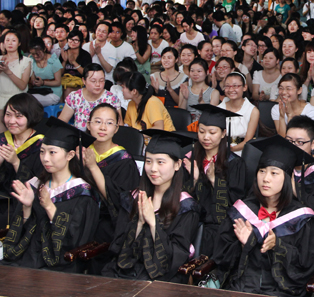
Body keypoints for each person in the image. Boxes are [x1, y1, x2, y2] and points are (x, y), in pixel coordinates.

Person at [210, 135, 314, 296]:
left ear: (288, 178)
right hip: (241, 288)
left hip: (280, 292)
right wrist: (243, 246)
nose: (266, 179)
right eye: (262, 171)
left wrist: (278, 246)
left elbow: (307, 264)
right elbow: (220, 257)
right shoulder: (242, 211)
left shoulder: (302, 218)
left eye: (274, 173)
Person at [2, 118, 100, 272]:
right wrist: (27, 207)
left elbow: (75, 240)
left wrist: (49, 207)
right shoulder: (36, 185)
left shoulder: (83, 193)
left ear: (70, 155)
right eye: (42, 152)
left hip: (59, 264)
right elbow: (21, 234)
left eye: (52, 152)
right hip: (28, 257)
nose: (45, 158)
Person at [101, 130, 200, 281]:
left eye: (160, 162)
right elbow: (117, 247)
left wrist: (153, 224)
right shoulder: (133, 198)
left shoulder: (186, 207)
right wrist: (139, 224)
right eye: (148, 161)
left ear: (177, 164)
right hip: (125, 272)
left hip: (161, 279)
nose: (153, 168)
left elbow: (176, 258)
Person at [80, 103, 140, 273]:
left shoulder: (124, 161)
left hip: (107, 223)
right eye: (98, 121)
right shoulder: (81, 153)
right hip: (80, 217)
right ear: (88, 124)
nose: (103, 128)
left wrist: (93, 167)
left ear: (116, 128)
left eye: (109, 123)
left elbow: (120, 204)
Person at [182, 105, 247, 257]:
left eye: (212, 132)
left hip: (219, 229)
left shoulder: (235, 164)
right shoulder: (190, 158)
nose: (206, 137)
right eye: (201, 131)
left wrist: (214, 181)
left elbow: (236, 203)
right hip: (190, 223)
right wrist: (194, 180)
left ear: (223, 133)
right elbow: (179, 197)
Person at [0, 93, 45, 228]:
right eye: (8, 115)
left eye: (18, 116)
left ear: (31, 116)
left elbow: (40, 183)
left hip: (25, 206)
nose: (11, 121)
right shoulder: (2, 139)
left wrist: (16, 162)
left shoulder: (42, 146)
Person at [59, 64, 121, 131]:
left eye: (101, 80)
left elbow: (119, 125)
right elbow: (62, 121)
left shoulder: (112, 99)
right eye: (93, 81)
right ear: (84, 81)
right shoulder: (75, 97)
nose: (98, 84)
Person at [217, 72, 259, 155]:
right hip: (220, 149)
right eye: (227, 86)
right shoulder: (219, 108)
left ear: (244, 87)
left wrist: (232, 149)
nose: (231, 90)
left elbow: (248, 140)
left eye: (235, 86)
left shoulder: (253, 111)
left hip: (242, 151)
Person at [0, 30, 32, 109]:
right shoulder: (0, 59)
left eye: (13, 40)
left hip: (18, 101)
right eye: (7, 40)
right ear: (3, 43)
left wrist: (8, 72)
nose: (10, 43)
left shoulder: (26, 61)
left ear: (19, 43)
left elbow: (22, 86)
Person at [28, 37, 62, 106]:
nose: (35, 56)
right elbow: (32, 79)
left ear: (44, 49)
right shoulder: (31, 59)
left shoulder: (53, 60)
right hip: (37, 91)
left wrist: (43, 83)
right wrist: (34, 81)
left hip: (52, 93)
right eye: (33, 54)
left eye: (38, 53)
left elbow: (58, 82)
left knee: (30, 100)